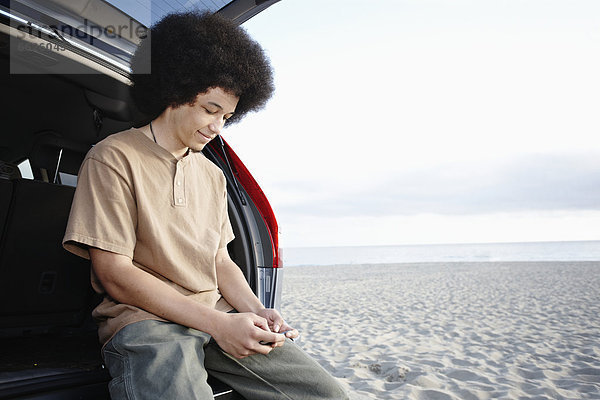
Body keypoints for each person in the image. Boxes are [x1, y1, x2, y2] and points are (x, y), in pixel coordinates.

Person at [63, 11, 348, 400]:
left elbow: (219, 261)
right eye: (210, 109)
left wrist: (257, 310)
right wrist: (218, 325)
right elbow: (114, 273)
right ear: (174, 92)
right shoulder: (113, 157)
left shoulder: (213, 174)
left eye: (227, 116)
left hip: (217, 315)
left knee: (326, 394)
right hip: (146, 322)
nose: (218, 127)